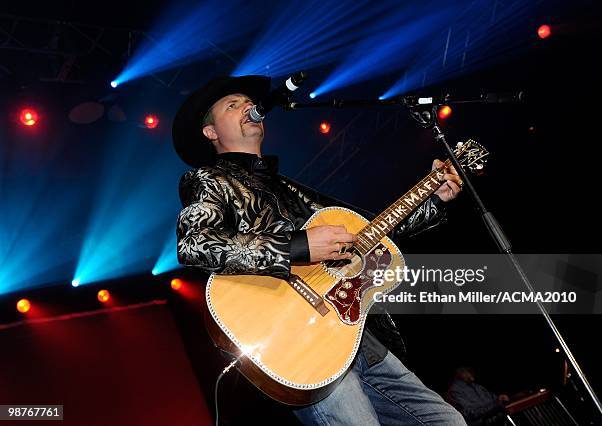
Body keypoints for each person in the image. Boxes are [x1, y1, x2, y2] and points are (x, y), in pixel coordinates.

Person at [173, 75, 466, 425]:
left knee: (448, 421)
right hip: (299, 340)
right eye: (231, 105)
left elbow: (371, 234)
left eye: (247, 102)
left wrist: (433, 199)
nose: (247, 107)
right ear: (211, 133)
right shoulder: (210, 180)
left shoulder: (288, 187)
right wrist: (298, 246)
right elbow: (195, 244)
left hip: (353, 334)